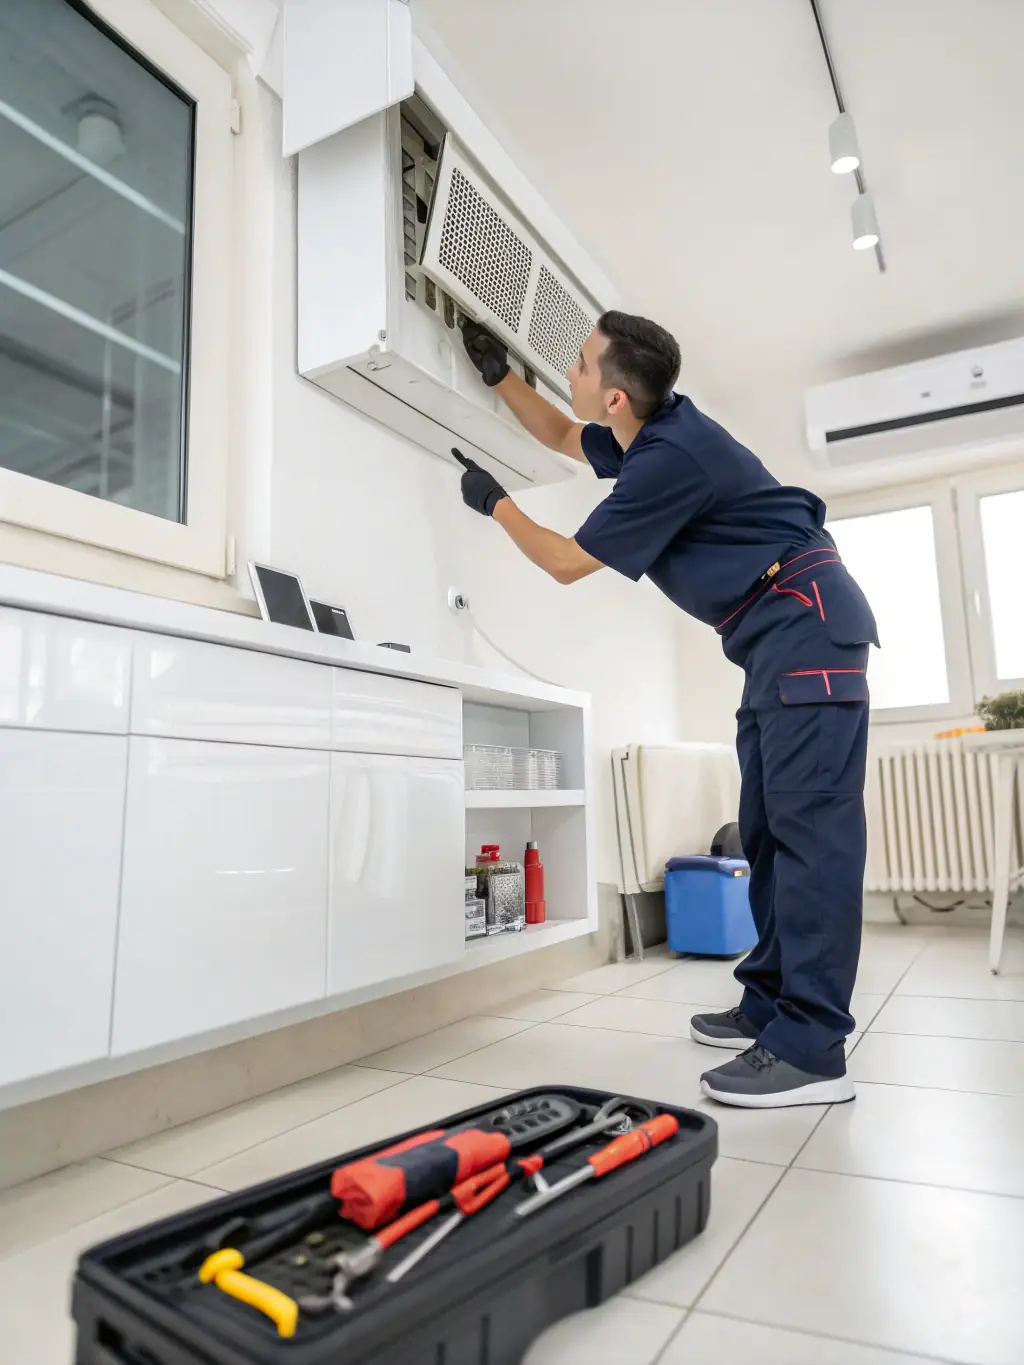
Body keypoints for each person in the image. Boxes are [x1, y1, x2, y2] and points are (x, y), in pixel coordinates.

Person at [454, 312, 879, 1110]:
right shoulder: (654, 429)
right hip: (775, 639)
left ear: (617, 395)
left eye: (579, 364)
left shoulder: (668, 459)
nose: (570, 373)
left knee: (811, 840)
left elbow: (565, 562)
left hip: (806, 628)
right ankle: (770, 1002)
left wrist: (496, 504)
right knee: (766, 830)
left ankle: (813, 1048)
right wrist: (495, 375)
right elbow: (559, 431)